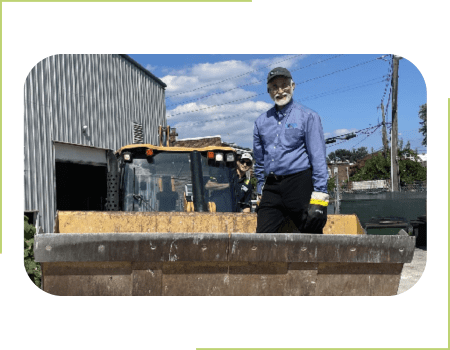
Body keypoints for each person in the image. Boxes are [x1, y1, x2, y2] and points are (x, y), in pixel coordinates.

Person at [253, 67, 329, 233]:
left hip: (299, 182)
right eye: (274, 87)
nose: (280, 91)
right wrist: (260, 188)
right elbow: (259, 159)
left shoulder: (308, 116)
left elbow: (318, 157)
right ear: (269, 91)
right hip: (272, 186)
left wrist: (320, 195)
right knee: (262, 238)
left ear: (293, 86)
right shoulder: (261, 122)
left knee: (311, 234)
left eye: (284, 85)